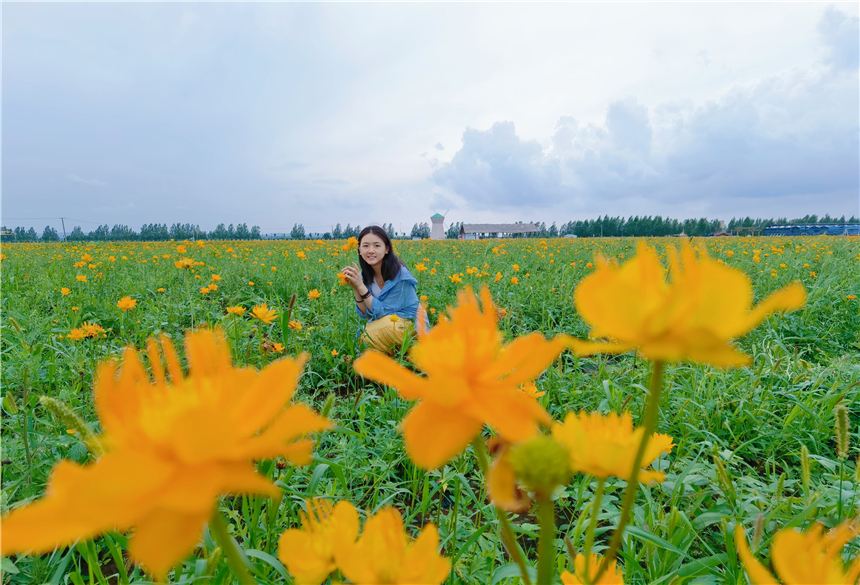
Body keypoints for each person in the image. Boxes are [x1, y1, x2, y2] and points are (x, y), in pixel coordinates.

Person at [340, 225, 423, 353]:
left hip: (410, 326)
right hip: (387, 325)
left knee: (367, 335)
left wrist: (361, 286)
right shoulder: (364, 275)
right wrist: (356, 287)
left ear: (386, 249)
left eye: (377, 246)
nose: (371, 250)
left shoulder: (400, 276)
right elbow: (365, 314)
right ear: (359, 249)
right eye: (366, 246)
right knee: (366, 335)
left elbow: (383, 312)